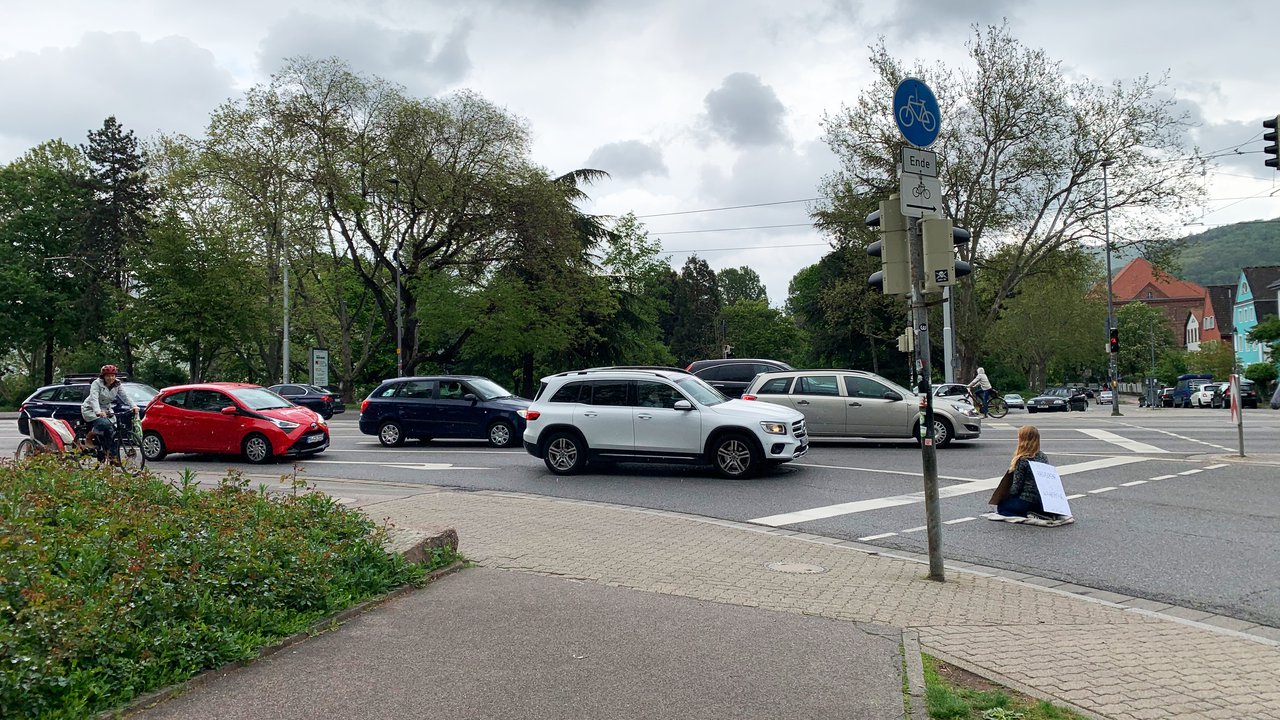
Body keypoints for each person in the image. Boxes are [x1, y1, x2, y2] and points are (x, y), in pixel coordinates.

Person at [995, 425, 1057, 520]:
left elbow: (1016, 488)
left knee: (1002, 507)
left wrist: (1004, 495)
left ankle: (1026, 513)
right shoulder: (1043, 456)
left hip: (1027, 500)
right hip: (1042, 501)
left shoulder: (1022, 460)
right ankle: (1039, 512)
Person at [80, 364, 139, 463]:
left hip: (106, 409)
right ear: (103, 376)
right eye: (108, 376)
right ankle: (89, 438)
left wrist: (133, 406)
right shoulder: (97, 383)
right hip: (91, 409)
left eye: (112, 376)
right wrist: (98, 411)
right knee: (104, 424)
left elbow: (125, 396)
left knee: (113, 431)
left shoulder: (117, 384)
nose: (110, 378)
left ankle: (111, 455)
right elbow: (94, 398)